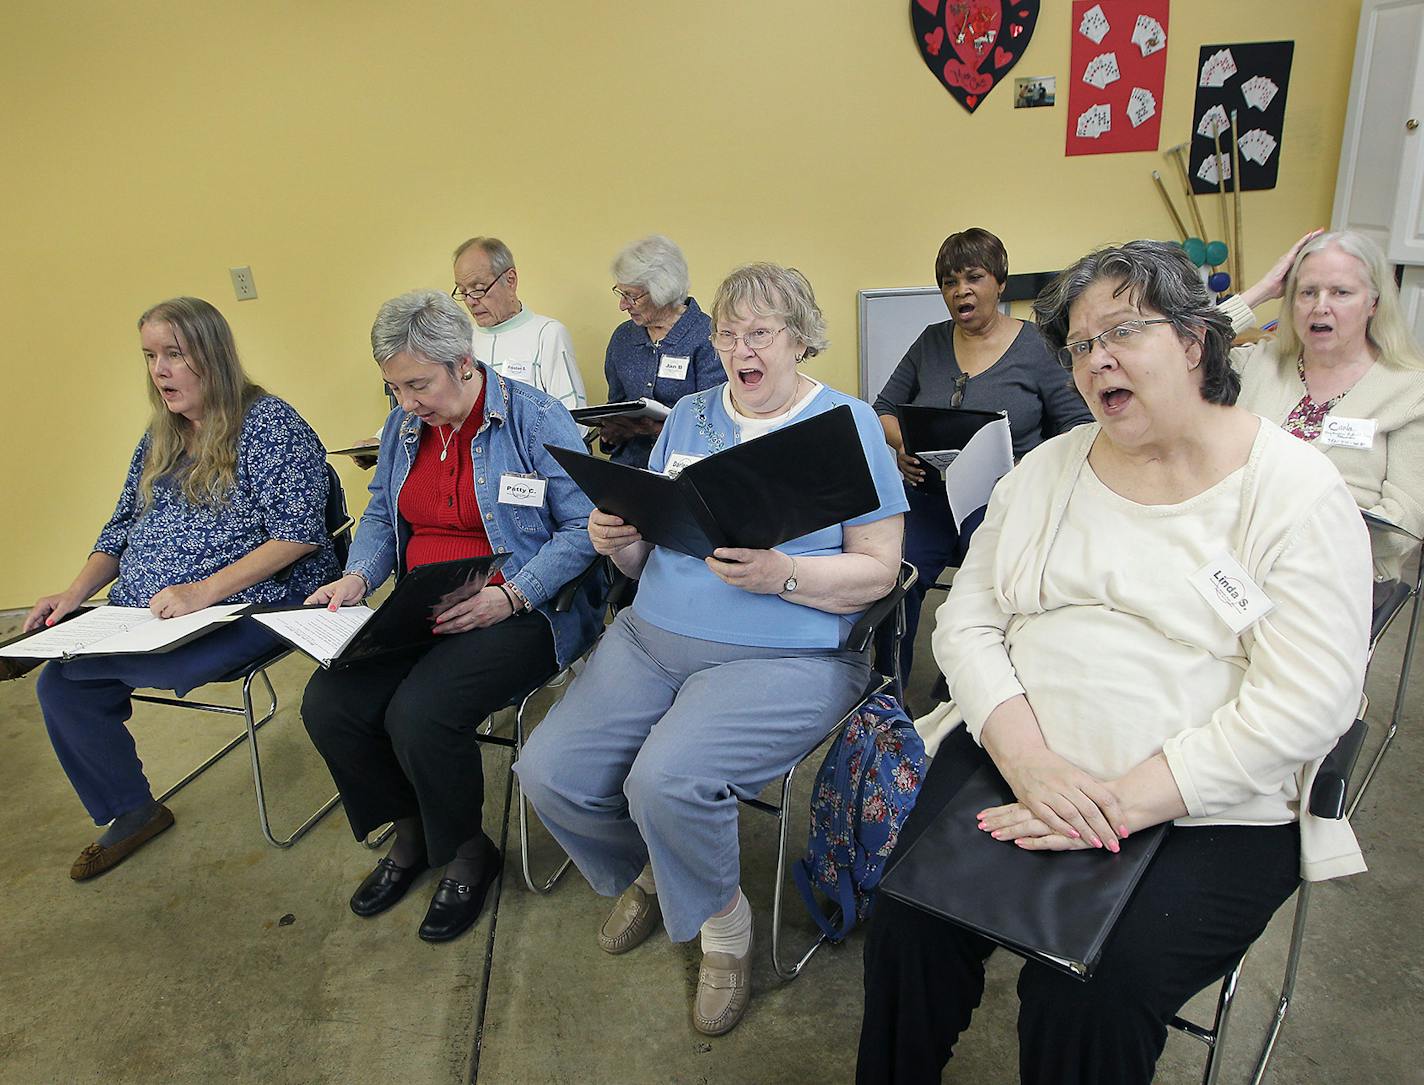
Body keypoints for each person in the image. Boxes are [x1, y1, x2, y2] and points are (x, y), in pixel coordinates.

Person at [857, 241, 1371, 1085]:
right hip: (1020, 768)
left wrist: (1117, 804)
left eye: (1122, 332)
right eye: (1080, 345)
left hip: (1207, 809)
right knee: (908, 919)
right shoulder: (1049, 472)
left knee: (1084, 991)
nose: (1097, 361)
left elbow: (1308, 701)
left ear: (1196, 342)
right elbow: (968, 623)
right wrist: (1029, 762)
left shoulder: (1294, 493)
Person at [516, 263, 907, 1035]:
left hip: (789, 654)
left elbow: (880, 569)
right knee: (549, 770)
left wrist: (783, 573)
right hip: (653, 635)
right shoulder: (691, 415)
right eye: (728, 334)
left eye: (759, 332)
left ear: (799, 338)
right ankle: (660, 870)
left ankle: (725, 928)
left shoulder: (847, 422)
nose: (739, 349)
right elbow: (652, 555)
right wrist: (616, 541)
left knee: (666, 779)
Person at [299, 290, 599, 945]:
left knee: (421, 711)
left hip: (519, 608)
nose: (407, 403)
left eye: (418, 384)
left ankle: (468, 852)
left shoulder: (534, 418)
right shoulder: (403, 428)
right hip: (423, 602)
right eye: (394, 387)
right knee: (329, 702)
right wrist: (356, 577)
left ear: (463, 362)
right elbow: (383, 514)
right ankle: (410, 835)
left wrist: (512, 594)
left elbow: (584, 528)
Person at [28, 297, 338, 880]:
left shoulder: (269, 425)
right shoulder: (162, 436)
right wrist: (73, 596)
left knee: (133, 670)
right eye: (150, 356)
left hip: (252, 603)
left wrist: (203, 592)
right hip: (153, 611)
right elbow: (120, 528)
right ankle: (132, 812)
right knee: (60, 687)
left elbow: (299, 535)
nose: (160, 370)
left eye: (174, 355)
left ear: (212, 357)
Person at [872, 227, 1091, 686]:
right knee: (895, 573)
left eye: (973, 277)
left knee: (989, 581)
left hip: (1004, 500)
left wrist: (1029, 472)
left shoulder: (1038, 346)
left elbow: (1076, 429)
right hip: (931, 496)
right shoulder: (930, 341)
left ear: (1000, 282)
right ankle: (886, 692)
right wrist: (903, 446)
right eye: (950, 283)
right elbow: (881, 412)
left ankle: (974, 684)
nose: (960, 291)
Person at [1229, 228, 1424, 580]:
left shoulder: (1410, 389)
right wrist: (1261, 291)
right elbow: (1178, 349)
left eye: (1341, 293)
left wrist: (1284, 542)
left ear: (1373, 304)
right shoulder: (1257, 363)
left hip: (1338, 571)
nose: (1320, 306)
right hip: (1234, 553)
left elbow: (1403, 526)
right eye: (1307, 292)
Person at [600, 234, 726, 468]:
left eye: (632, 296)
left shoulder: (708, 337)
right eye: (621, 293)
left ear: (663, 290)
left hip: (685, 473)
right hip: (628, 472)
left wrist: (654, 429)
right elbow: (614, 407)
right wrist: (610, 434)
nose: (623, 305)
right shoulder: (623, 338)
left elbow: (714, 426)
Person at [452, 235, 589, 417]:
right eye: (463, 291)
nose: (470, 301)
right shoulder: (460, 344)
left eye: (478, 289)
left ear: (510, 280)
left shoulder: (547, 334)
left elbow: (573, 418)